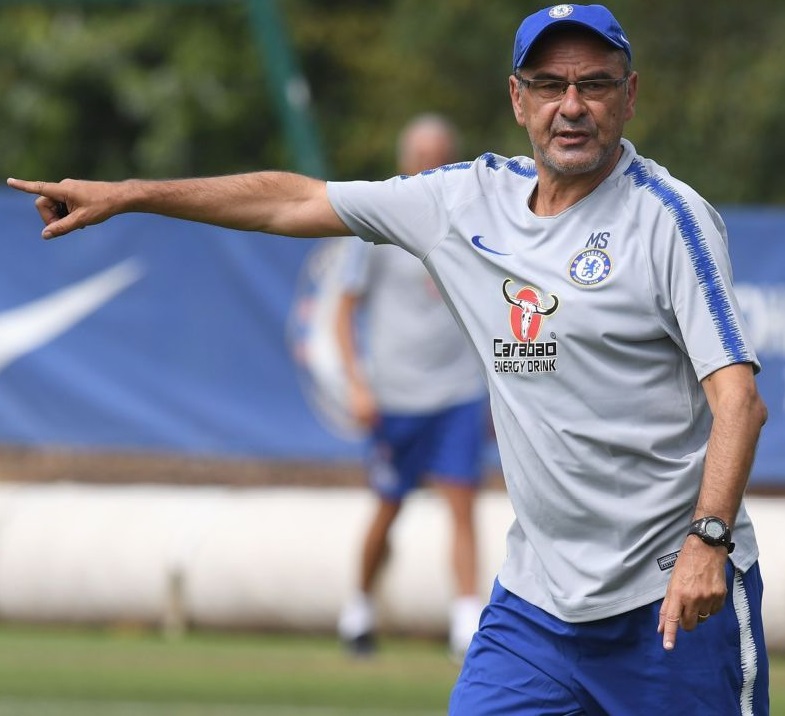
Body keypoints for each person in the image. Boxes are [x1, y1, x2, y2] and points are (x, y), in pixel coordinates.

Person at [7, 4, 770, 713]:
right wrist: (132, 194)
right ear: (517, 98)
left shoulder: (669, 220)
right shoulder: (463, 202)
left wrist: (706, 543)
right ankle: (367, 609)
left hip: (670, 601)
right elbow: (291, 200)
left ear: (628, 96)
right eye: (548, 85)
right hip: (537, 610)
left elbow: (739, 401)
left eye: (593, 85)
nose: (570, 105)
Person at [333, 114, 488, 660]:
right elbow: (343, 311)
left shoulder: (473, 221)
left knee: (462, 502)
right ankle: (359, 606)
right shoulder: (376, 226)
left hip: (458, 391)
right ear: (405, 162)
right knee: (388, 505)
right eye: (421, 157)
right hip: (397, 394)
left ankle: (466, 621)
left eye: (439, 156)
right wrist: (357, 384)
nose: (430, 167)